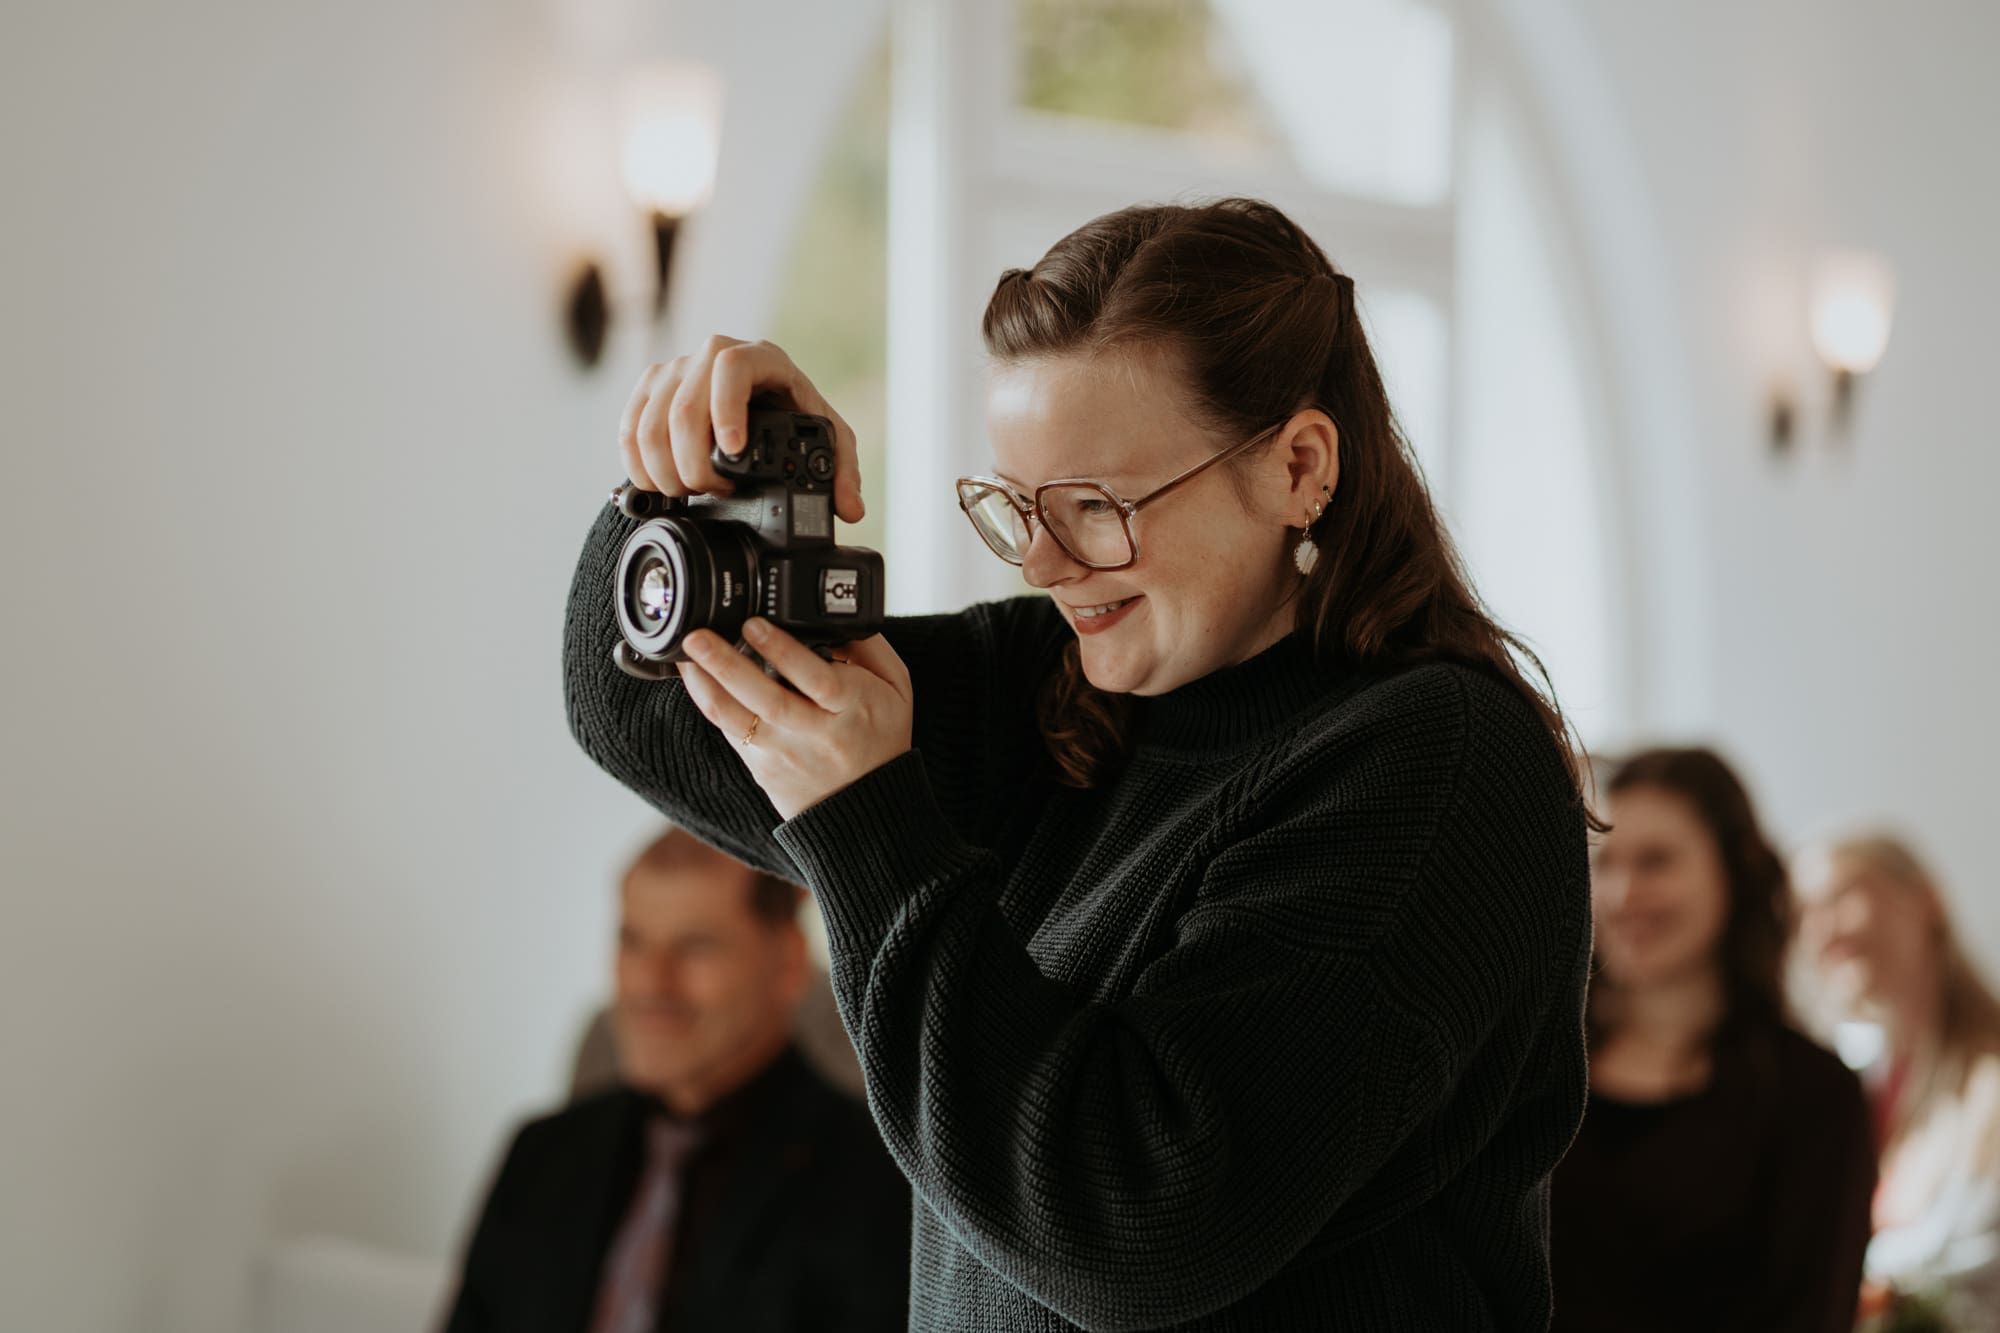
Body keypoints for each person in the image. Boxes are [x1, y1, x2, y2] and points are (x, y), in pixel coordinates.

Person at [565, 198, 1595, 1328]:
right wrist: (700, 483)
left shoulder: (1433, 763)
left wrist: (867, 818)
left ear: (1298, 465)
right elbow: (639, 712)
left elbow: (1131, 1214)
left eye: (1097, 507)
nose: (1047, 565)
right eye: (1019, 507)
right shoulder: (1059, 683)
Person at [441, 827, 910, 1333]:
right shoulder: (540, 1155)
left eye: (695, 947)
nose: (651, 984)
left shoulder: (877, 1187)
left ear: (788, 965)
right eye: (633, 941)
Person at [1550, 747, 1874, 1332]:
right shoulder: (1539, 1074)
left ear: (1735, 870)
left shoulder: (1814, 1095)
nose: (1624, 894)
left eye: (1656, 862)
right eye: (1605, 863)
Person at [1795, 833, 2000, 1327]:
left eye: (1843, 896)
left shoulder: (1988, 1080)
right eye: (1805, 911)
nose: (1822, 928)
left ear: (1927, 899)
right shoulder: (1844, 1083)